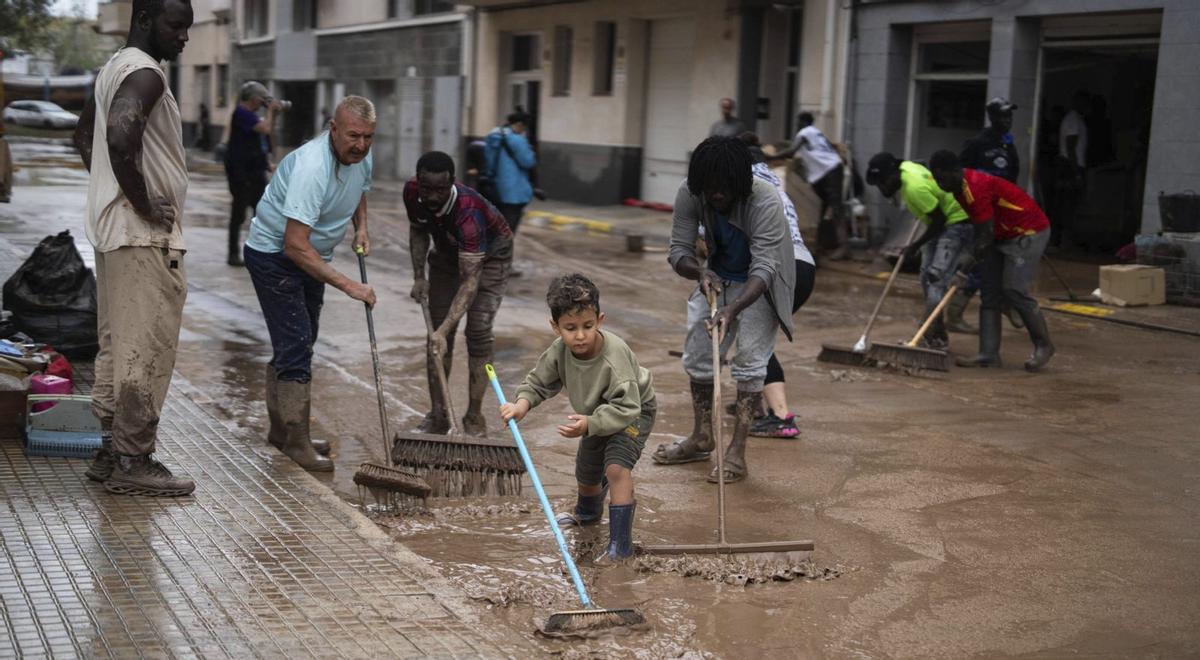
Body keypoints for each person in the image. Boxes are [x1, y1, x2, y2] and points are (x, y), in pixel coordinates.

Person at [71, 0, 196, 496]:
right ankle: (133, 458)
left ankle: (109, 452)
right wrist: (141, 203)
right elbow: (120, 138)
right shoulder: (146, 75)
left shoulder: (113, 68)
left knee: (117, 346)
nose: (184, 37)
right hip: (140, 237)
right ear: (144, 20)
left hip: (113, 234)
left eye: (187, 27)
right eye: (176, 26)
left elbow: (85, 135)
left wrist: (110, 191)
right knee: (145, 348)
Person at [242, 96, 377, 472]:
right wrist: (351, 286)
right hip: (275, 256)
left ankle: (283, 431)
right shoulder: (311, 168)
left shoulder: (360, 155)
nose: (361, 145)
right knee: (296, 344)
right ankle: (296, 442)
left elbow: (360, 187)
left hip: (312, 258)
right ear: (333, 129)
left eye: (368, 137)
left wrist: (361, 226)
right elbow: (294, 245)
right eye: (353, 136)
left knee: (299, 341)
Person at [651, 136, 795, 484]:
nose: (716, 196)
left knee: (750, 364)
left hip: (761, 285)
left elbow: (764, 268)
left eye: (724, 189)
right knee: (698, 356)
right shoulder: (691, 192)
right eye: (710, 189)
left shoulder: (765, 200)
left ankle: (736, 453)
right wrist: (699, 271)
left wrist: (734, 309)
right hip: (716, 276)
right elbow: (678, 251)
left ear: (740, 183)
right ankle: (702, 437)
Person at [500, 274, 654, 560]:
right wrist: (521, 405)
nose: (580, 335)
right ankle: (587, 513)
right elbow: (538, 382)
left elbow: (627, 407)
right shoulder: (559, 351)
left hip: (634, 410)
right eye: (571, 328)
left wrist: (590, 424)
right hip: (595, 414)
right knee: (586, 470)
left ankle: (620, 545)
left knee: (616, 469)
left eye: (588, 326)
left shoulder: (614, 357)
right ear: (555, 327)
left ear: (600, 320)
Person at [404, 151, 513, 437]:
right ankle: (438, 414)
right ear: (418, 181)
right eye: (426, 188)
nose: (432, 196)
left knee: (477, 331)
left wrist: (446, 328)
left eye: (439, 190)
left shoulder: (468, 213)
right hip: (445, 254)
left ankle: (474, 416)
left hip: (490, 257)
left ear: (452, 182)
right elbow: (418, 229)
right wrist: (419, 276)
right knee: (437, 339)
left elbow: (469, 282)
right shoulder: (412, 192)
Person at [929, 150, 1055, 371]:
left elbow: (984, 237)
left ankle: (1044, 345)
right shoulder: (958, 188)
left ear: (954, 172)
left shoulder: (975, 188)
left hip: (1027, 231)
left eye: (941, 178)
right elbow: (981, 230)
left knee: (1014, 288)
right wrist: (967, 260)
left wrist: (964, 269)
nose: (939, 184)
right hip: (1000, 233)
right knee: (989, 292)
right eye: (936, 179)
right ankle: (988, 354)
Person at [739, 132, 816, 438]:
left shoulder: (741, 188)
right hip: (805, 266)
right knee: (759, 337)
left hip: (776, 267)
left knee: (758, 343)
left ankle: (782, 417)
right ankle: (755, 400)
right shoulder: (778, 188)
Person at [865, 152, 970, 350]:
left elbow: (938, 220)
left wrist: (914, 245)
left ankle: (927, 333)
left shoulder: (914, 187)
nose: (883, 188)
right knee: (925, 277)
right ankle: (937, 335)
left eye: (883, 182)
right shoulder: (907, 167)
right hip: (940, 222)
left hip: (955, 222)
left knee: (935, 280)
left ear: (894, 174)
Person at [951, 96, 1022, 334]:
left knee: (1004, 260)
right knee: (979, 260)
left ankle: (1001, 301)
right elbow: (959, 177)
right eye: (1003, 115)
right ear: (992, 117)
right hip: (981, 213)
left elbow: (1013, 177)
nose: (1008, 120)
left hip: (1003, 212)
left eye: (1010, 115)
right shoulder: (977, 144)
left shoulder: (1007, 144)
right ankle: (955, 312)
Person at [771, 112, 847, 259]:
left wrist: (771, 157)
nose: (796, 125)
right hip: (829, 169)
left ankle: (843, 247)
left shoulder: (805, 132)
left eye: (798, 122)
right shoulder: (816, 133)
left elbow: (792, 151)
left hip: (827, 170)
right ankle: (820, 245)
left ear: (803, 121)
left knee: (835, 207)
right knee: (822, 207)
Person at [223, 81, 281, 266]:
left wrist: (266, 163)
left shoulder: (253, 117)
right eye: (263, 100)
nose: (263, 104)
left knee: (262, 214)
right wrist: (271, 111)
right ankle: (233, 254)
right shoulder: (242, 114)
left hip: (255, 172)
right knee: (239, 214)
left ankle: (258, 252)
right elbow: (264, 128)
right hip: (243, 174)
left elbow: (265, 136)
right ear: (255, 99)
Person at [484, 111, 537, 234]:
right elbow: (528, 162)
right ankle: (502, 250)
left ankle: (493, 248)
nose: (524, 131)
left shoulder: (493, 137)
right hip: (515, 191)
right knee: (509, 226)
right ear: (519, 124)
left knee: (498, 222)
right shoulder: (517, 140)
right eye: (524, 127)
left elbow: (489, 162)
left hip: (497, 187)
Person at [1053, 91, 1089, 248]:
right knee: (1068, 204)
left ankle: (1063, 239)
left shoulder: (1074, 119)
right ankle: (1063, 240)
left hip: (1070, 165)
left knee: (1067, 204)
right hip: (1070, 166)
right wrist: (1076, 172)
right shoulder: (1073, 120)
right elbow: (1070, 146)